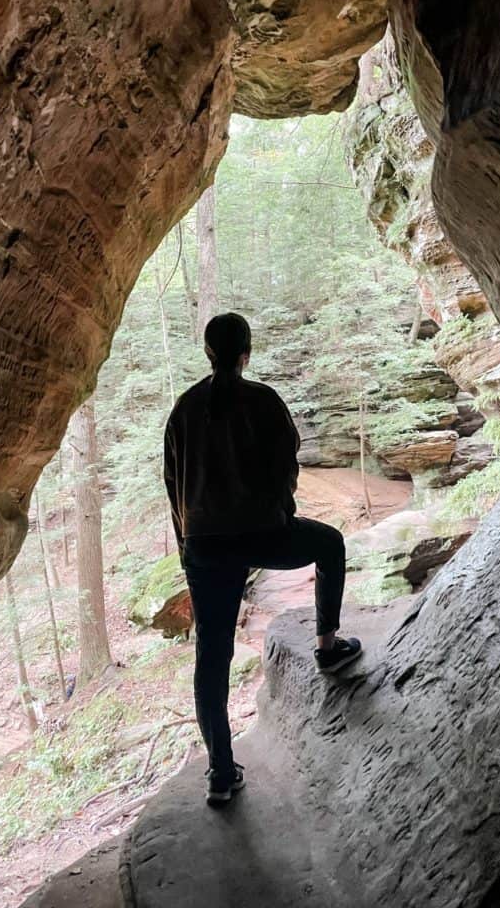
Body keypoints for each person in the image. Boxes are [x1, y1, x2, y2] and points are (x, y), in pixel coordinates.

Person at [164, 312, 362, 805]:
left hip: (206, 546)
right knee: (330, 543)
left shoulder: (184, 409)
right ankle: (327, 644)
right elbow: (285, 466)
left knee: (212, 659)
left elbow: (172, 484)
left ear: (208, 353)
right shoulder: (263, 400)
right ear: (246, 352)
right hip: (263, 534)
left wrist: (188, 549)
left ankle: (220, 771)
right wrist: (280, 515)